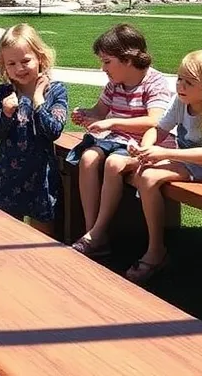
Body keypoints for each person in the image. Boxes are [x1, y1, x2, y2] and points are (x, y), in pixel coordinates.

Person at [125, 49, 202, 284]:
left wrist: (163, 153)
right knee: (140, 171)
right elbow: (158, 129)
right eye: (179, 79)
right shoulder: (181, 101)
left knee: (148, 178)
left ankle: (156, 251)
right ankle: (151, 239)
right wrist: (145, 147)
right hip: (188, 161)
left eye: (189, 82)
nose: (181, 86)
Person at [66, 24, 173, 256]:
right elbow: (99, 112)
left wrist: (112, 123)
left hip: (145, 146)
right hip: (118, 141)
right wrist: (86, 115)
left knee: (114, 163)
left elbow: (155, 121)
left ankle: (97, 233)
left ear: (127, 59)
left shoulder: (155, 82)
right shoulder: (115, 83)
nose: (103, 68)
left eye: (107, 61)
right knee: (88, 157)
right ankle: (93, 232)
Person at [0, 24, 68, 235]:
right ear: (4, 66)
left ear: (39, 57)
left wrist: (39, 100)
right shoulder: (3, 93)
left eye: (25, 61)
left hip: (41, 178)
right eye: (11, 63)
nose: (19, 68)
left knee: (41, 238)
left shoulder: (55, 91)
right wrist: (5, 113)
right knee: (5, 234)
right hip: (7, 177)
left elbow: (54, 130)